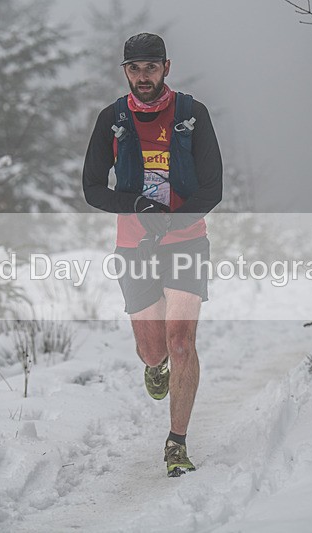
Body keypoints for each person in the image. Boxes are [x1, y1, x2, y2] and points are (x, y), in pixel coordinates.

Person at [82, 33, 222, 477]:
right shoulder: (112, 119)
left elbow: (213, 187)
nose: (144, 77)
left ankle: (176, 442)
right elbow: (91, 188)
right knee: (153, 349)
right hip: (134, 245)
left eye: (151, 68)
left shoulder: (192, 114)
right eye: (135, 69)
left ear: (166, 67)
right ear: (125, 71)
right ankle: (154, 364)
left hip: (186, 242)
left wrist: (174, 222)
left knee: (182, 343)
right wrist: (136, 207)